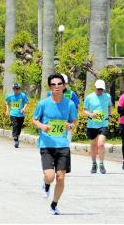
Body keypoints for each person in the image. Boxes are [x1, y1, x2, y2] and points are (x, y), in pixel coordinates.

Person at [32, 73, 78, 215]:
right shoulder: (43, 103)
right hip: (46, 144)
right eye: (53, 84)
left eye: (59, 84)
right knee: (50, 176)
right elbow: (34, 119)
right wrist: (42, 126)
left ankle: (54, 204)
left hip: (63, 144)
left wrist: (70, 126)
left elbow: (74, 121)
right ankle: (46, 185)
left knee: (61, 177)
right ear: (50, 87)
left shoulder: (69, 104)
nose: (56, 86)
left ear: (64, 86)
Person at [83, 80, 112, 174]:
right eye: (98, 89)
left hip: (103, 124)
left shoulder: (107, 96)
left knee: (101, 144)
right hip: (92, 124)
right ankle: (94, 163)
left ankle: (101, 163)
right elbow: (84, 110)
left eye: (101, 89)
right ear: (95, 87)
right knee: (93, 145)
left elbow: (109, 106)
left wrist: (110, 115)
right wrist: (90, 114)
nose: (100, 90)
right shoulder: (89, 97)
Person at [5, 83, 29, 148]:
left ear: (19, 89)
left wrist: (24, 109)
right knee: (15, 126)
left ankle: (16, 138)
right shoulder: (10, 96)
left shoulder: (22, 95)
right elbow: (6, 102)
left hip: (21, 114)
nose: (16, 90)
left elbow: (27, 102)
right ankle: (15, 140)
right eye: (15, 89)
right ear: (13, 89)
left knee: (19, 128)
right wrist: (7, 110)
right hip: (13, 114)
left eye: (17, 89)